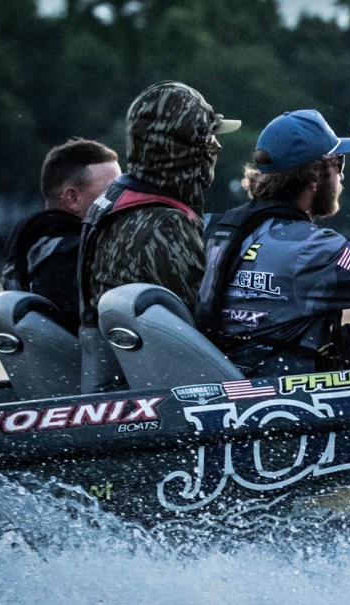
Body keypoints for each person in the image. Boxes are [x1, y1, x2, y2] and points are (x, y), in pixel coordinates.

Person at [196, 109, 350, 377]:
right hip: (281, 400)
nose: (341, 177)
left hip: (231, 389)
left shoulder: (213, 230)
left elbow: (273, 342)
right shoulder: (311, 249)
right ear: (316, 177)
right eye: (338, 164)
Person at [77, 80, 240, 391]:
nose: (216, 147)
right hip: (167, 401)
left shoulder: (112, 203)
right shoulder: (167, 225)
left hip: (116, 387)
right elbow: (206, 331)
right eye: (209, 137)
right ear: (185, 148)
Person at [0, 138, 120, 333]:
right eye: (112, 191)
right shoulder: (70, 258)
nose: (121, 198)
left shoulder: (28, 245)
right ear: (72, 199)